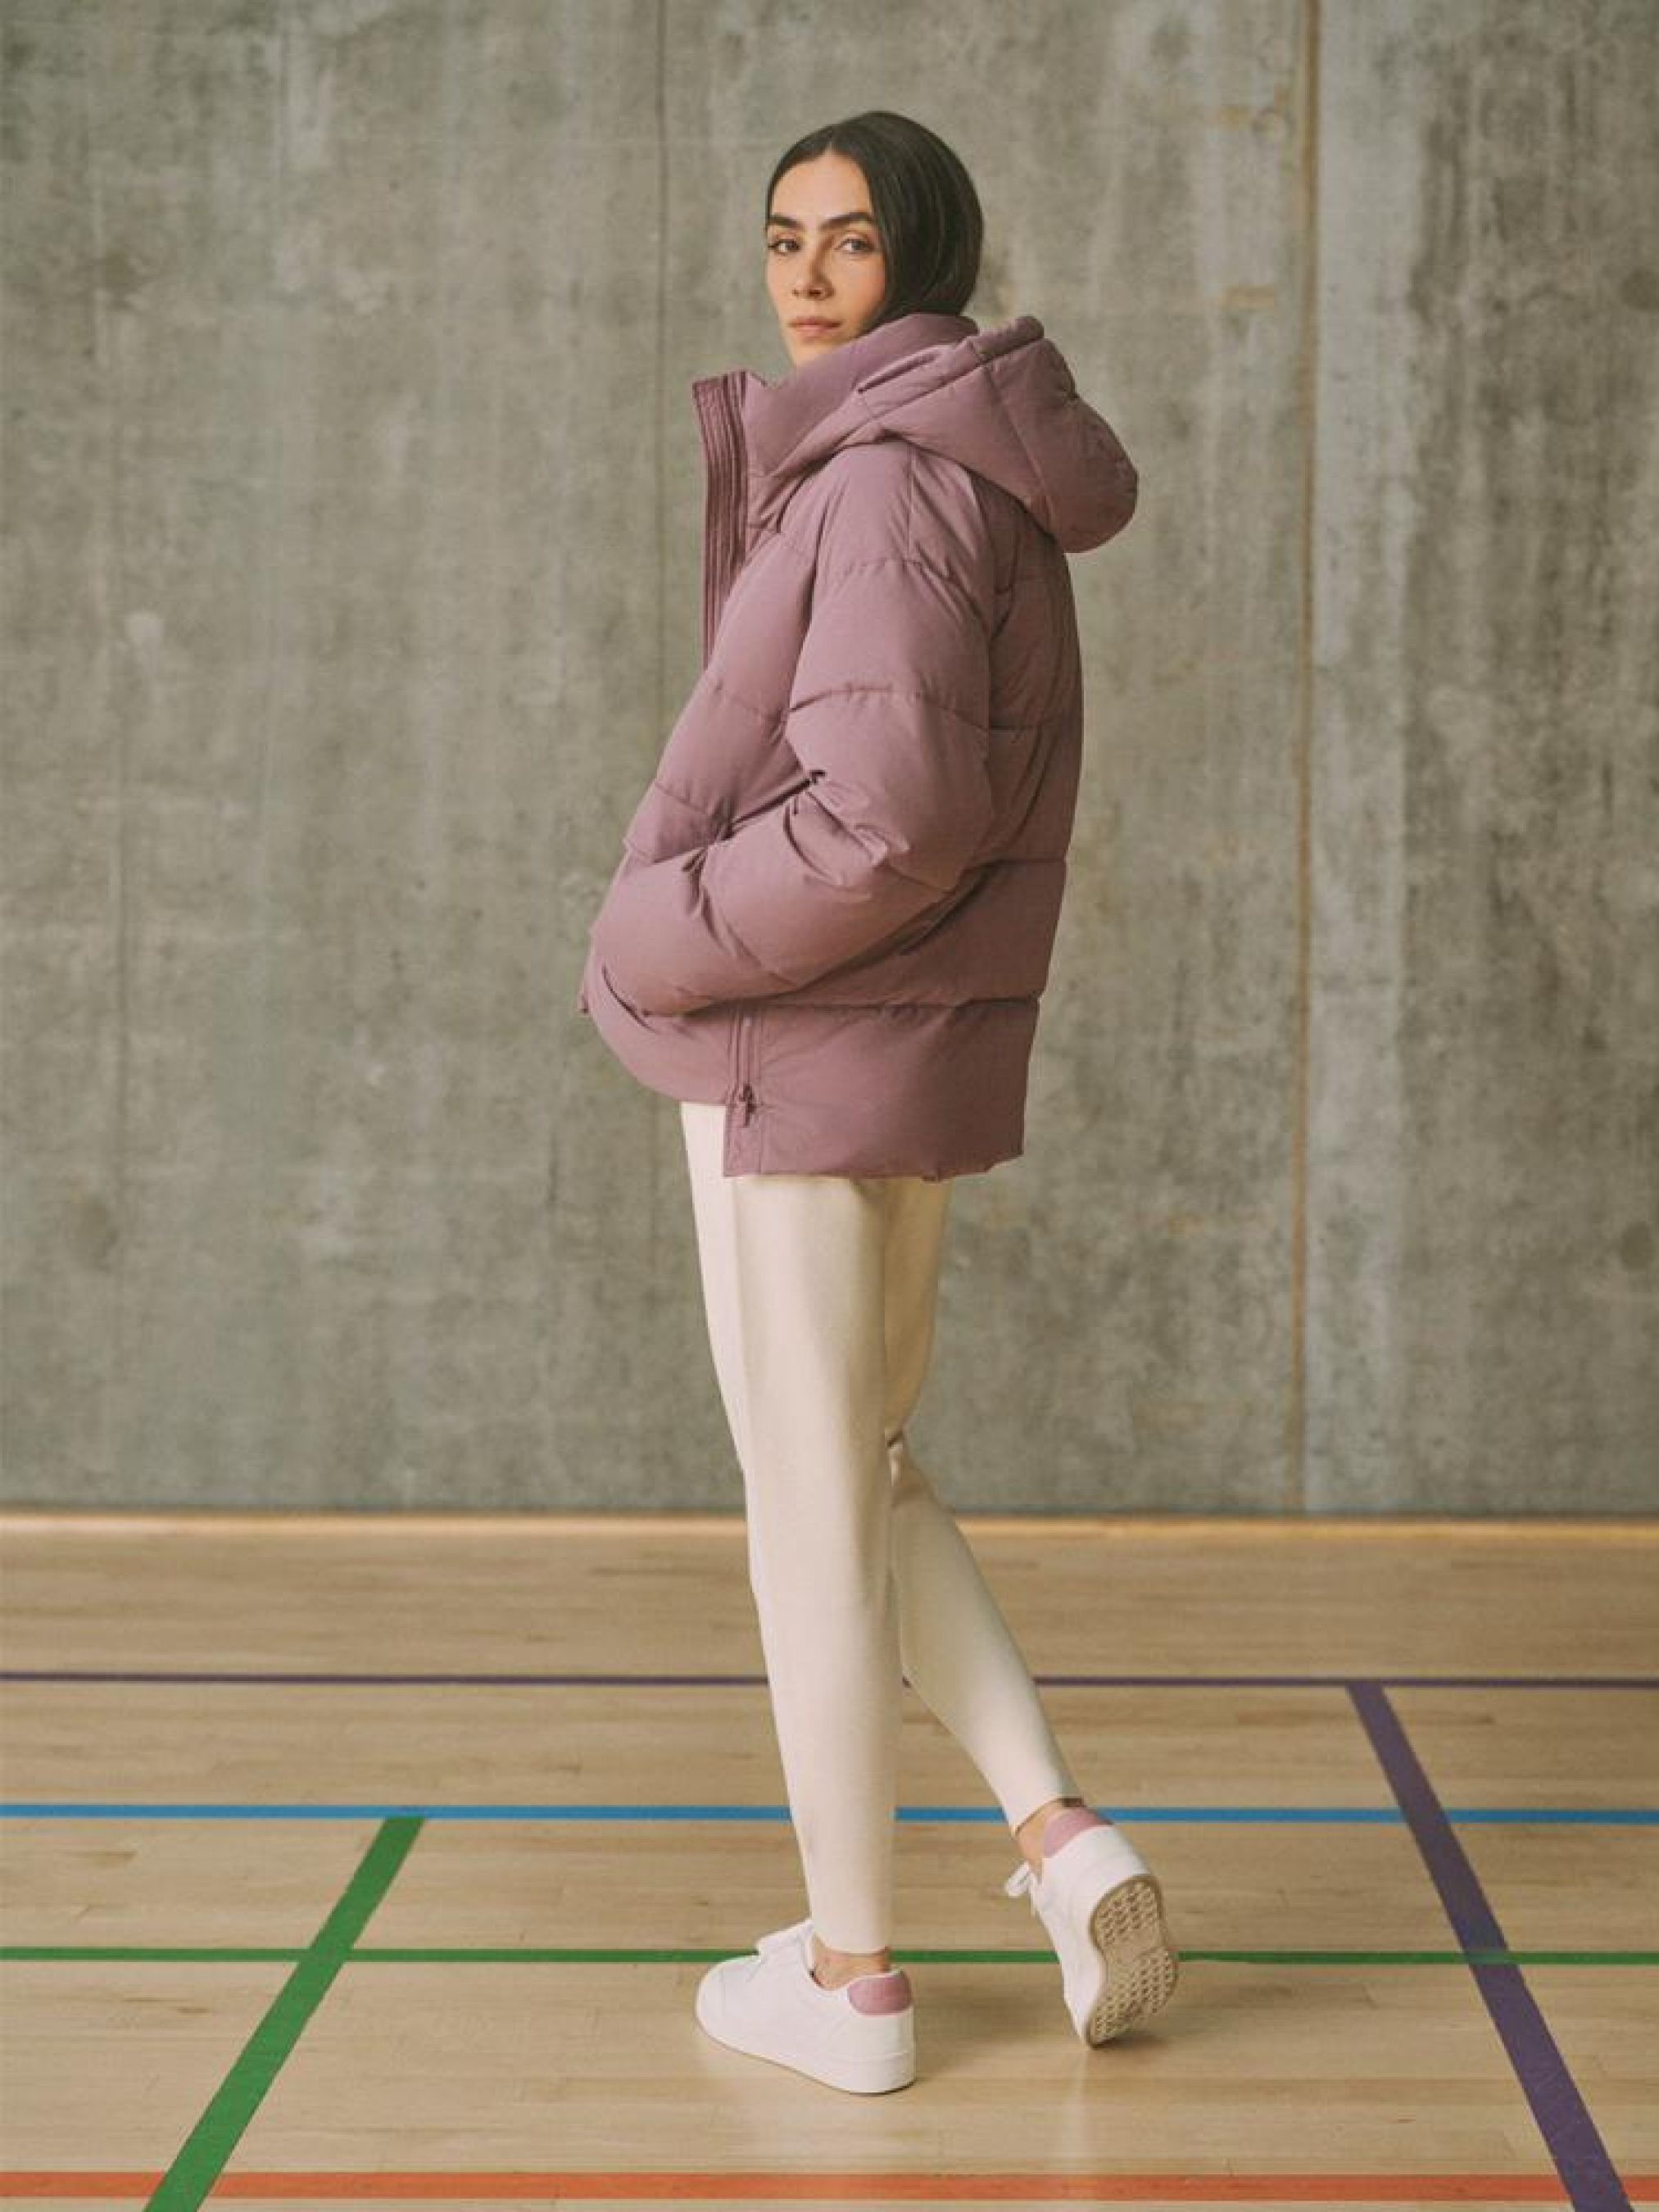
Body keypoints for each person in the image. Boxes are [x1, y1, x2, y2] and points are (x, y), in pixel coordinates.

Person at [576, 109, 1178, 2095]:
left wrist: (655, 933)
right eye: (783, 237)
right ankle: (1056, 1833)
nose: (807, 275)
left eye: (848, 238)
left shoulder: (889, 480)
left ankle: (851, 1987)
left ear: (923, 254)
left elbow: (887, 819)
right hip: (890, 1048)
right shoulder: (946, 459)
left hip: (804, 1049)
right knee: (861, 1459)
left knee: (810, 1508)